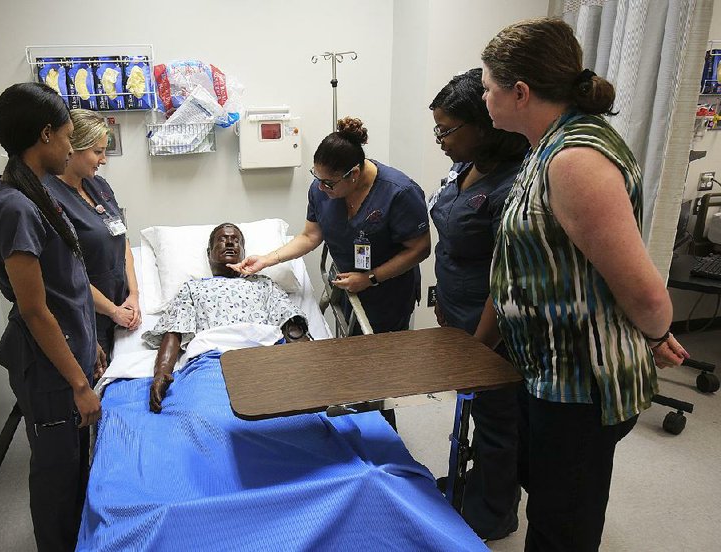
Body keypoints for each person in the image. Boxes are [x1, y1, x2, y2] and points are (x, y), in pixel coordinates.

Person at [480, 18, 689, 551]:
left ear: (520, 92)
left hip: (580, 384)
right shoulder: (545, 146)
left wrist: (655, 329)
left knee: (562, 528)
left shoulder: (576, 161)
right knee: (549, 501)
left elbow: (642, 290)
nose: (483, 98)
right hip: (547, 370)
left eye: (487, 88)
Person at [228, 117, 431, 428]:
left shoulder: (398, 192)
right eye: (317, 178)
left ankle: (384, 435)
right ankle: (349, 424)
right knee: (350, 362)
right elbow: (311, 236)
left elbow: (420, 249)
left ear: (354, 174)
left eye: (329, 183)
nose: (321, 188)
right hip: (349, 284)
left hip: (389, 292)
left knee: (380, 370)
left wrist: (372, 277)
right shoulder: (322, 189)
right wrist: (267, 259)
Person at [0, 83, 104, 552]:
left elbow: (65, 283)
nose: (72, 147)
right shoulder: (14, 207)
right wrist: (77, 382)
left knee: (75, 468)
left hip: (67, 355)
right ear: (46, 134)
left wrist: (90, 346)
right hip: (50, 372)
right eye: (70, 136)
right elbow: (35, 310)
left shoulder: (33, 193)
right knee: (56, 480)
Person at [428, 68, 528, 541]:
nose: (440, 139)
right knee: (475, 412)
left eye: (447, 130)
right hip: (459, 316)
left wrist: (480, 347)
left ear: (483, 125)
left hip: (494, 330)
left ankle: (494, 514)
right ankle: (473, 484)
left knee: (497, 421)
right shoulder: (468, 167)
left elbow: (505, 283)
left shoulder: (513, 186)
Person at [144, 223, 310, 413]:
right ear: (209, 253)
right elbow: (175, 330)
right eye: (222, 239)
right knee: (210, 413)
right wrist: (162, 373)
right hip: (213, 362)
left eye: (236, 240)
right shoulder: (193, 288)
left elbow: (290, 322)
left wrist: (307, 361)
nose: (230, 243)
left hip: (266, 358)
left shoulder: (264, 284)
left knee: (292, 413)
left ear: (243, 252)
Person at [47, 109, 141, 359]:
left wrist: (133, 295)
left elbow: (123, 240)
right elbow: (65, 274)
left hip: (120, 311)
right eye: (97, 152)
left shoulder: (98, 186)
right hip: (85, 319)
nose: (104, 160)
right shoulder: (50, 198)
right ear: (72, 148)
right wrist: (112, 311)